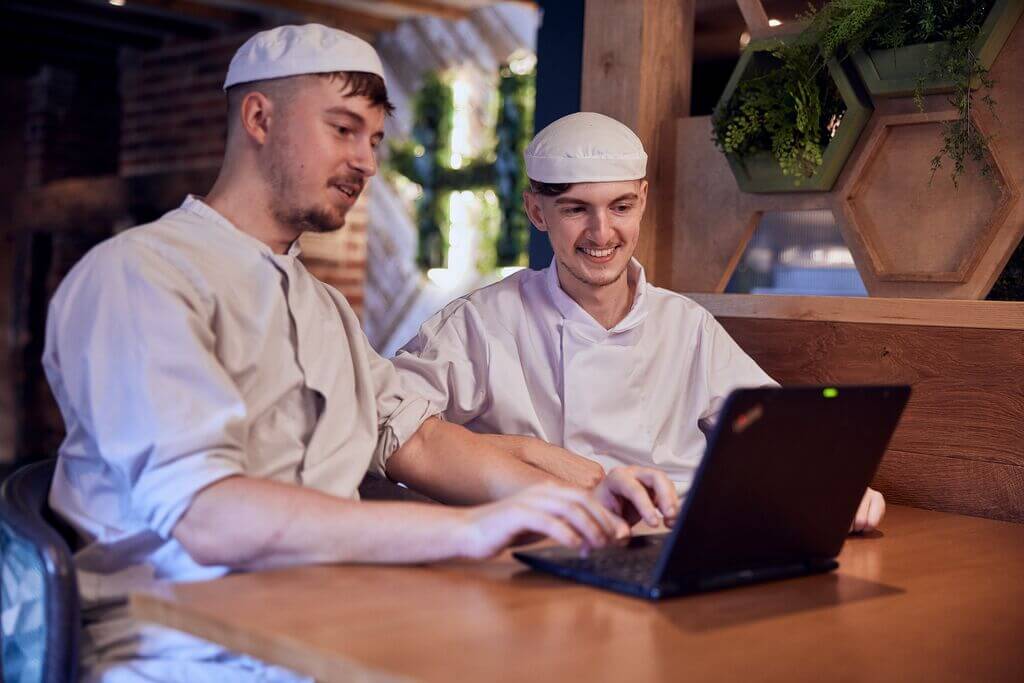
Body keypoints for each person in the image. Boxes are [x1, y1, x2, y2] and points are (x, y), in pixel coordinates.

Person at [43, 28, 677, 683]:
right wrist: (470, 529)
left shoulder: (321, 306)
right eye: (344, 129)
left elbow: (422, 440)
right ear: (259, 117)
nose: (368, 162)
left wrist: (579, 494)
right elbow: (206, 516)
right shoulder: (142, 274)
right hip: (181, 645)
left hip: (327, 619)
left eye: (374, 139)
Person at [392, 112, 886, 534]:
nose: (602, 233)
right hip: (549, 548)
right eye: (576, 210)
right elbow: (384, 432)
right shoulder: (479, 324)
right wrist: (527, 453)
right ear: (536, 211)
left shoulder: (685, 325)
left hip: (678, 537)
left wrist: (834, 485)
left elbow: (777, 430)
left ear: (643, 200)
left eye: (620, 207)